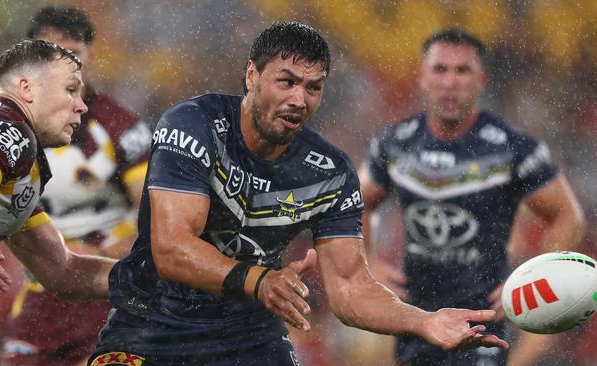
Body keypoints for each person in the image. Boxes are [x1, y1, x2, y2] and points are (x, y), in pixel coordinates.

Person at [88, 22, 508, 366]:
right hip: (151, 325)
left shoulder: (330, 172)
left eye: (313, 87)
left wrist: (424, 323)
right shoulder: (192, 124)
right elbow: (172, 248)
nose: (298, 100)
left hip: (248, 337)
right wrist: (260, 280)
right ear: (251, 75)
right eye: (286, 81)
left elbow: (349, 286)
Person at [359, 28, 585, 366]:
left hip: (483, 321)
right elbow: (353, 205)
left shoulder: (512, 148)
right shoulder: (394, 144)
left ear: (481, 80)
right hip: (415, 319)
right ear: (422, 78)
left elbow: (568, 216)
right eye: (440, 69)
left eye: (462, 71)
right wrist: (367, 262)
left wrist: (534, 277)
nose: (450, 82)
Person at [0, 39, 116, 363]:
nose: (81, 105)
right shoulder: (8, 130)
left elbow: (61, 270)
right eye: (70, 89)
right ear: (27, 88)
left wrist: (146, 280)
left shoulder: (20, 170)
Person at [0, 7, 151, 366]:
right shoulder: (0, 129)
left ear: (90, 57)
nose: (62, 69)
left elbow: (155, 208)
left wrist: (128, 246)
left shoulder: (120, 127)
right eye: (50, 55)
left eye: (73, 57)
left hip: (105, 289)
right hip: (41, 293)